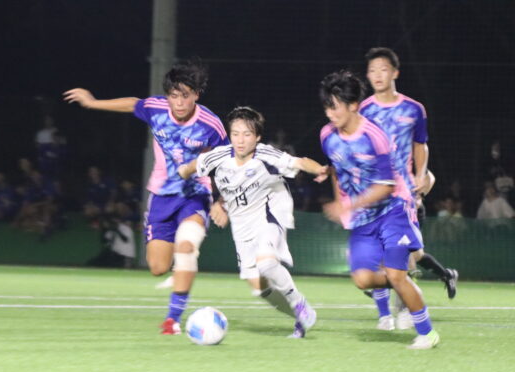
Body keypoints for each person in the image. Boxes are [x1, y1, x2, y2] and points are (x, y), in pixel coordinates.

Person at [64, 60, 227, 335]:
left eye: (185, 96)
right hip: (161, 196)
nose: (179, 102)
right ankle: (180, 265)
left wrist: (223, 201)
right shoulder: (156, 108)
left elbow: (230, 162)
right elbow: (132, 104)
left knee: (186, 247)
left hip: (195, 194)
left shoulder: (211, 125)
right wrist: (92, 103)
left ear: (197, 95)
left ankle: (172, 320)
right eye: (174, 96)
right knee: (157, 267)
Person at [178, 107, 327, 337]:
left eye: (247, 134)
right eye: (235, 133)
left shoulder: (266, 156)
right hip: (242, 224)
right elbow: (190, 167)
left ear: (257, 137)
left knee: (266, 263)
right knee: (261, 289)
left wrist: (319, 169)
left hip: (270, 213)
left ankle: (299, 303)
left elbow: (300, 162)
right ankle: (300, 318)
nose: (240, 140)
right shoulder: (218, 157)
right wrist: (183, 175)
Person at [319, 70, 439, 349]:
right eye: (326, 107)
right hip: (363, 219)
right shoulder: (327, 136)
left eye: (335, 106)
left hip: (393, 210)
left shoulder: (374, 136)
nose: (330, 113)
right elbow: (337, 169)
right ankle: (402, 279)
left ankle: (427, 333)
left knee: (395, 275)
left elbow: (386, 186)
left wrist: (347, 205)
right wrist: (343, 205)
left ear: (353, 105)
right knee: (362, 280)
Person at [360, 47, 458, 330]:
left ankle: (403, 309)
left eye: (383, 69)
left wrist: (420, 177)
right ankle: (385, 315)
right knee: (377, 256)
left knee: (403, 254)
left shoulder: (414, 109)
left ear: (395, 73)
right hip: (375, 193)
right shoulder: (364, 110)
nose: (378, 75)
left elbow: (420, 145)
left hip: (402, 196)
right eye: (372, 71)